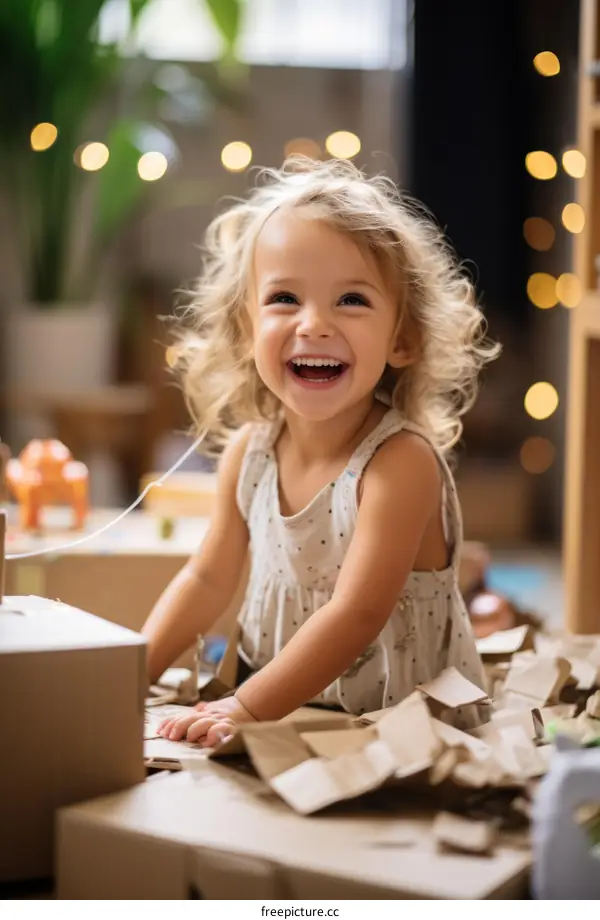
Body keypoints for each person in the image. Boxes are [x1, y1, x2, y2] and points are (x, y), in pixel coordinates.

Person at [144, 156, 500, 747]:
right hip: (285, 710)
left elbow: (357, 613)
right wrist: (134, 671)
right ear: (245, 328)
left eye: (352, 300)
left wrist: (246, 707)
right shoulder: (250, 456)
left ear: (403, 338)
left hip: (396, 730)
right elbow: (206, 578)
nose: (314, 324)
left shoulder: (398, 463)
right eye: (284, 297)